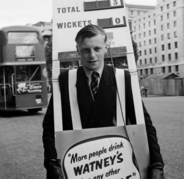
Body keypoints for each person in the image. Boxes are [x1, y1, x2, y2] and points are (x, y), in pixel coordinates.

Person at [42, 24, 164, 179]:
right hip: (78, 166)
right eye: (86, 50)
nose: (92, 55)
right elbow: (49, 125)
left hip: (115, 165)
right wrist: (51, 161)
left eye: (97, 49)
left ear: (106, 47)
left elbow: (144, 124)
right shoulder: (64, 80)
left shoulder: (123, 78)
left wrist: (157, 163)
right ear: (78, 49)